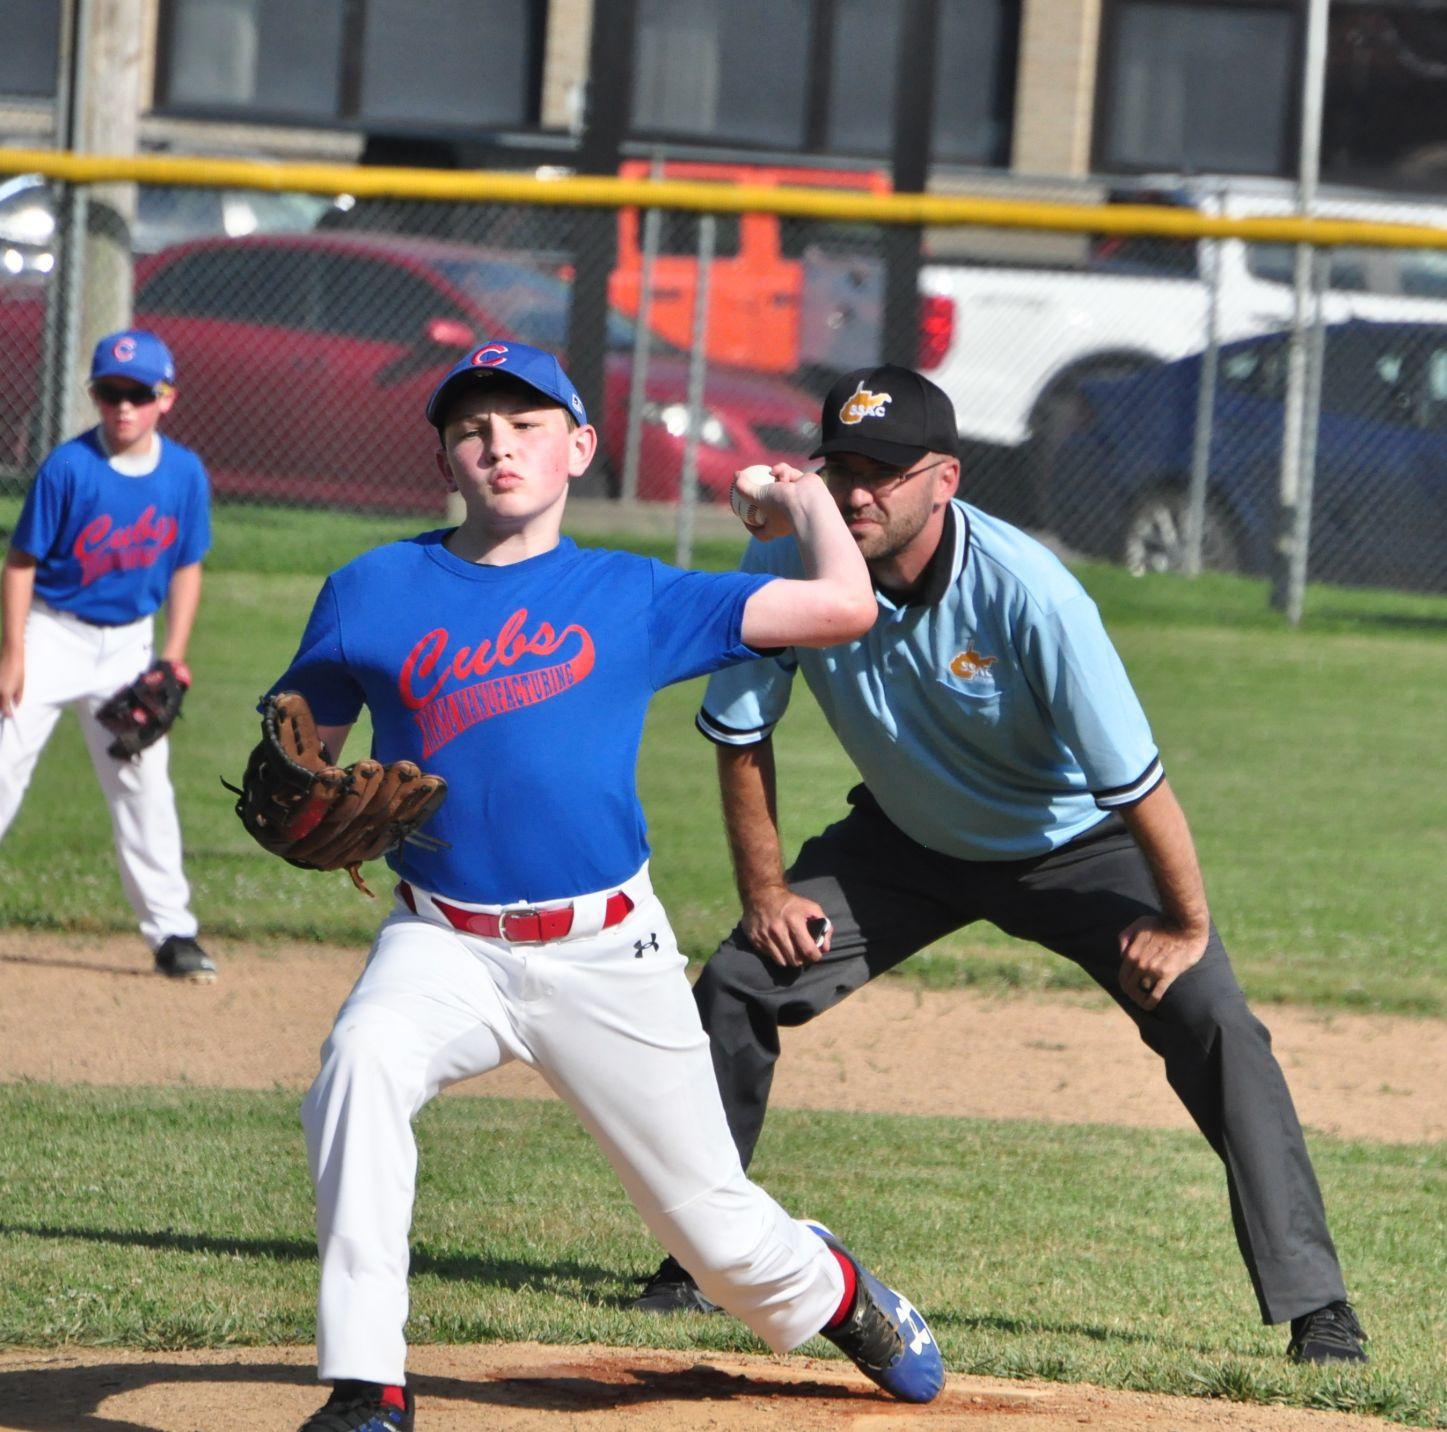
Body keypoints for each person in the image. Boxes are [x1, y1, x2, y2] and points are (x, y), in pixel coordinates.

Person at [630, 363, 1368, 1368]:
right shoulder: (799, 571)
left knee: (1211, 1017)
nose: (856, 491)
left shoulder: (1032, 595)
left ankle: (1316, 1306)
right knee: (736, 983)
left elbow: (1139, 785)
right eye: (840, 466)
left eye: (883, 471)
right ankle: (698, 1262)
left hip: (1070, 845)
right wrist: (764, 892)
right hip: (899, 842)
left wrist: (1185, 928)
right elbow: (738, 732)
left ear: (944, 479)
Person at [269, 341, 945, 1432]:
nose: (499, 445)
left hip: (604, 950)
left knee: (713, 1236)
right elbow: (303, 748)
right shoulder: (370, 591)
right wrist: (297, 785)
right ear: (444, 454)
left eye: (527, 424)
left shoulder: (628, 594)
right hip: (442, 940)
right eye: (474, 428)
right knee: (358, 1065)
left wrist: (799, 492)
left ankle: (838, 1289)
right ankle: (366, 1386)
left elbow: (842, 606)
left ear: (578, 447)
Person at [0, 328, 215, 982]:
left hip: (128, 645)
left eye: (139, 393)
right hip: (51, 632)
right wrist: (13, 653)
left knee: (142, 786)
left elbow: (186, 566)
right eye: (109, 392)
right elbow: (21, 562)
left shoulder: (184, 473)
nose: (123, 406)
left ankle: (173, 933)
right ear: (93, 395)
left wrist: (172, 656)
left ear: (165, 398)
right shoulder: (68, 468)